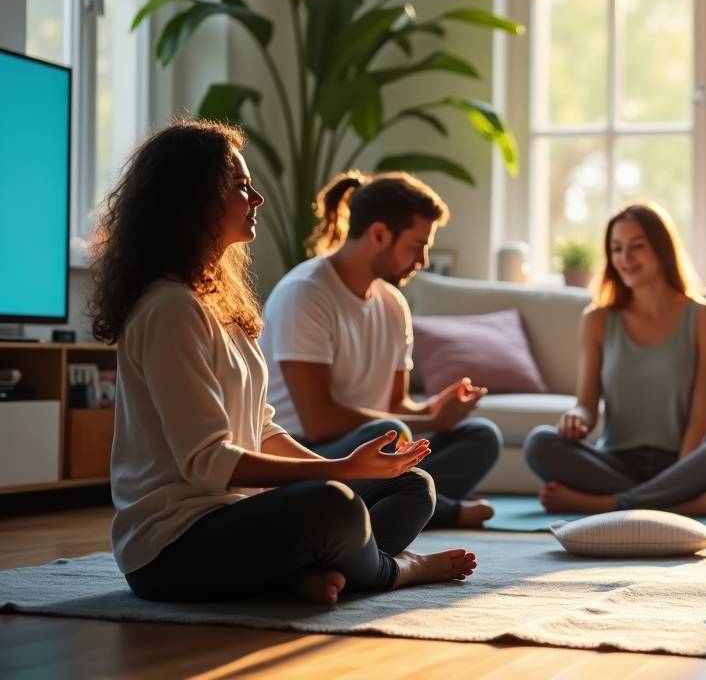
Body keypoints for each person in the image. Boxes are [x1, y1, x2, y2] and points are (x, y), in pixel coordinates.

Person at [91, 121, 476, 605]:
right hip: (173, 549)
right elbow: (208, 462)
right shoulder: (169, 309)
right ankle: (391, 571)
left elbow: (262, 425)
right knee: (334, 505)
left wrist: (345, 468)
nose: (258, 199)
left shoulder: (215, 303)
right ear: (195, 199)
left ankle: (297, 574)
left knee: (413, 487)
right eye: (241, 187)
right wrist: (337, 473)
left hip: (242, 518)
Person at [259, 171, 502, 528]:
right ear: (379, 234)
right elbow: (320, 422)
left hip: (376, 446)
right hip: (309, 453)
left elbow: (395, 406)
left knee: (482, 437)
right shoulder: (306, 293)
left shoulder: (392, 304)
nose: (422, 261)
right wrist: (427, 421)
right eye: (417, 245)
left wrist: (436, 409)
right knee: (388, 434)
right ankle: (437, 507)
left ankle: (401, 498)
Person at [522, 202, 706, 516]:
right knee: (540, 443)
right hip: (614, 463)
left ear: (662, 250)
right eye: (617, 249)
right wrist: (576, 418)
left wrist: (681, 474)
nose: (625, 259)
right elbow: (586, 405)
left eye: (637, 246)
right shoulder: (597, 319)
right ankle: (675, 505)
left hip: (683, 463)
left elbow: (701, 416)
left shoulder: (705, 316)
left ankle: (610, 504)